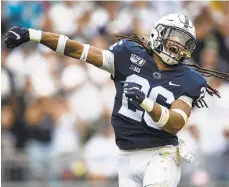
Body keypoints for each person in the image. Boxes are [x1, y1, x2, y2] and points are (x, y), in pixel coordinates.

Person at [5, 14, 229, 187]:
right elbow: (78, 50)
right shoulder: (128, 54)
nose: (177, 45)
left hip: (161, 155)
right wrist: (33, 35)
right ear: (158, 33)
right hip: (126, 156)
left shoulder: (190, 79)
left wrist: (145, 102)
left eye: (183, 42)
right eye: (174, 37)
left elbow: (175, 122)